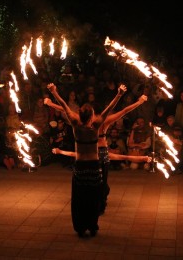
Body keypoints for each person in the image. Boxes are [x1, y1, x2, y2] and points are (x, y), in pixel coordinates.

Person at [46, 82, 126, 238]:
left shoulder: (75, 126)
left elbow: (64, 106)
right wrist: (119, 94)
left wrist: (54, 92)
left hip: (80, 167)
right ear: (91, 116)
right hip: (93, 167)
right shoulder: (95, 126)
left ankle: (80, 226)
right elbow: (108, 108)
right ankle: (92, 225)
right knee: (93, 197)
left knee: (79, 197)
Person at [45, 93, 147, 214]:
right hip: (98, 153)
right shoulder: (101, 122)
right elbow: (123, 111)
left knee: (91, 181)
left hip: (90, 155)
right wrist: (138, 102)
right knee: (101, 181)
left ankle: (94, 203)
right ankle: (98, 203)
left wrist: (50, 103)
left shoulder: (82, 120)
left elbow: (65, 109)